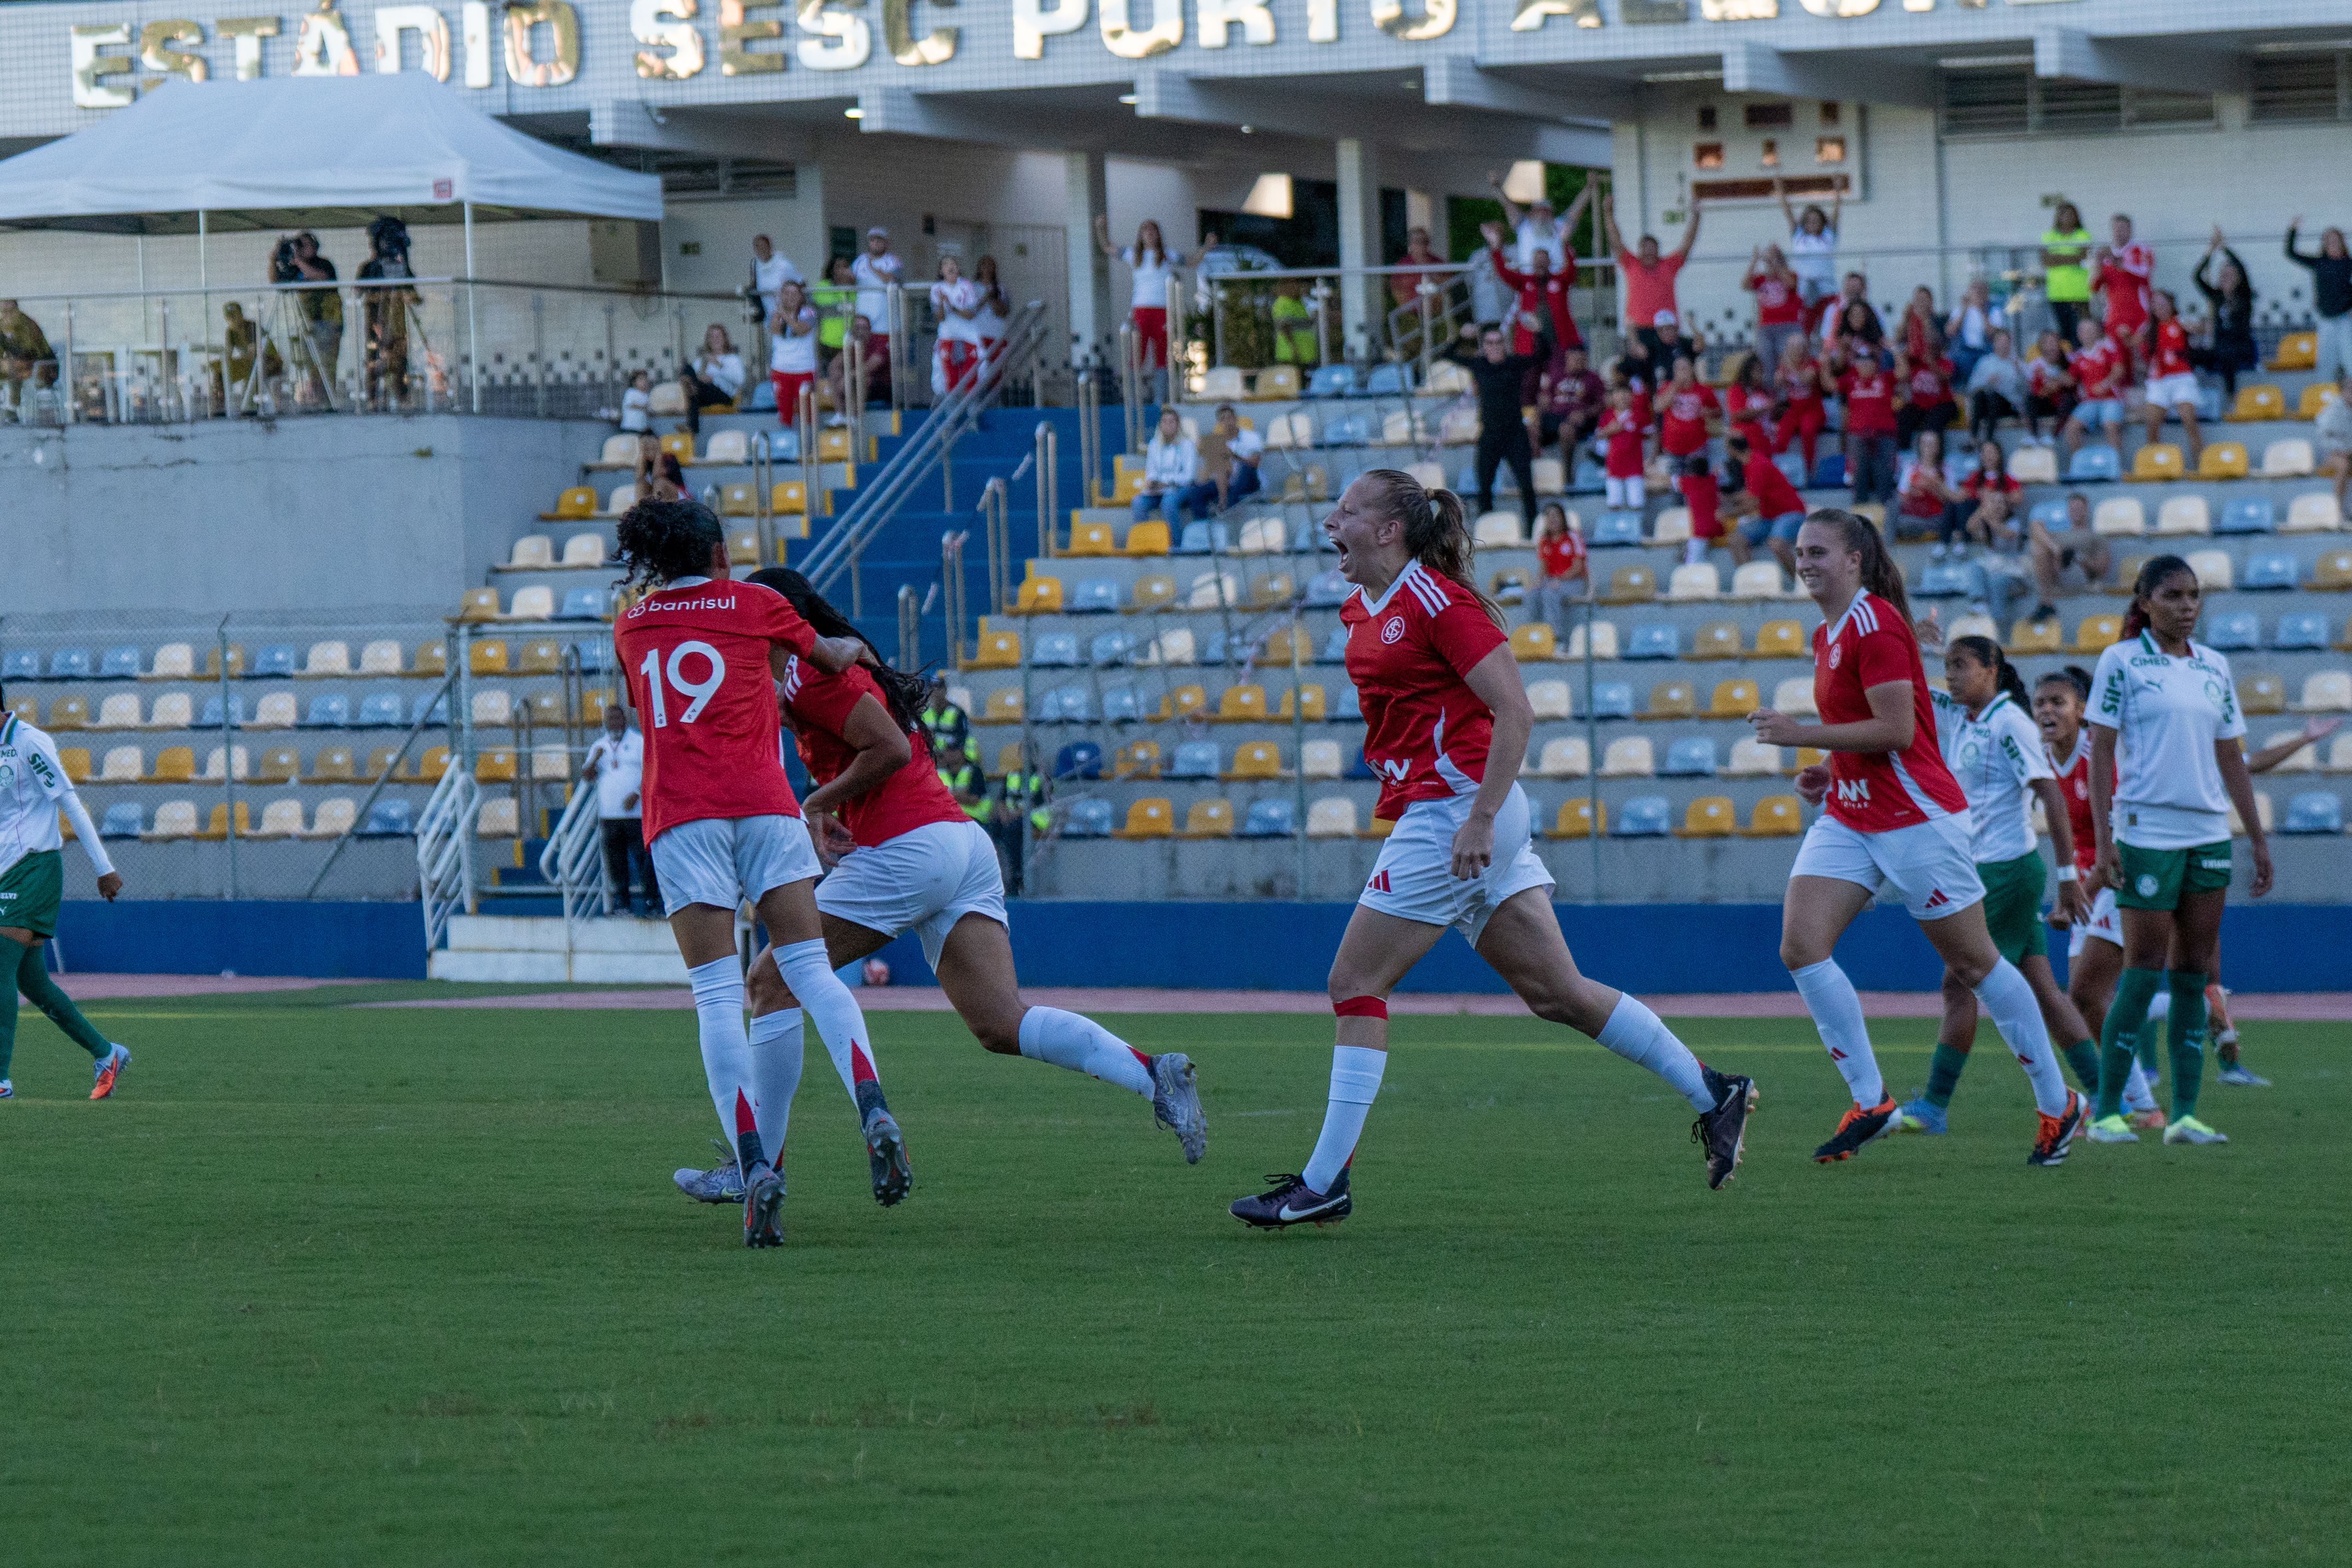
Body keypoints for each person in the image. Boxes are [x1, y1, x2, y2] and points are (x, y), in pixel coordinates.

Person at [1229, 470, 1756, 1228]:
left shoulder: (1438, 602)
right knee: (1558, 993)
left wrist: (1477, 818)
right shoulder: (1361, 605)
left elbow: (1516, 711)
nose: (1330, 522)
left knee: (1354, 981)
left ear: (1389, 530)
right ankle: (1715, 1091)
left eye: (1346, 511)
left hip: (1457, 813)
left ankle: (1323, 1183)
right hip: (1451, 808)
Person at [669, 568, 1207, 1204]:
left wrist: (816, 801)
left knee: (770, 978)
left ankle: (756, 1165)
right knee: (1000, 1022)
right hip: (960, 844)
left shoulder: (807, 675)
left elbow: (889, 749)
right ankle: (1154, 1075)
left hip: (908, 848)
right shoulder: (828, 664)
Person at [1748, 509, 2082, 1166]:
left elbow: (1898, 730)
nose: (1804, 562)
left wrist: (1801, 735)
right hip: (1852, 812)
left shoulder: (1875, 624)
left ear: (1854, 560)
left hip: (1916, 817)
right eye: (1800, 552)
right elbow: (1868, 725)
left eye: (1817, 551)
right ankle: (1870, 1100)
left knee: (1976, 965)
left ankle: (2058, 1101)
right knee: (1800, 946)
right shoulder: (1828, 632)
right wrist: (1829, 768)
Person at [608, 496, 895, 1245]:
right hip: (765, 807)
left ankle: (755, 1164)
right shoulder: (757, 603)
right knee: (810, 971)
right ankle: (872, 1103)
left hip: (683, 816)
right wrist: (853, 649)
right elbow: (827, 658)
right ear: (719, 555)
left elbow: (651, 706)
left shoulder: (631, 624)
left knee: (715, 995)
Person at [2082, 555, 2272, 1146]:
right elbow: (2100, 752)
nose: (2187, 606)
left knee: (2193, 973)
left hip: (2208, 833)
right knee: (2141, 970)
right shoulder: (2120, 661)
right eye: (2173, 596)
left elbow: (2230, 756)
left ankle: (2185, 1115)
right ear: (2144, 603)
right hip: (2147, 832)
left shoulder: (2215, 665)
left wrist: (2257, 837)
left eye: (2194, 595)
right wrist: (2105, 838)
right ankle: (2107, 1113)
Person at [1892, 636, 2101, 1135]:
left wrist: (2068, 877)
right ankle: (2105, 1094)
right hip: (1990, 869)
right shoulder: (1969, 717)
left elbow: (2050, 793)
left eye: (1961, 666)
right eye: (1948, 666)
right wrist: (1912, 643)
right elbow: (1914, 690)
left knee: (1958, 981)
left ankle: (1935, 1105)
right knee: (2045, 990)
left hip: (2002, 871)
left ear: (1991, 669)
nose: (1951, 675)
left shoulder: (2010, 723)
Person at [2036, 666, 2167, 1128]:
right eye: (2040, 703)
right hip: (2085, 883)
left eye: (2058, 702)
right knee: (2089, 1000)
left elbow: (2115, 846)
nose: (2048, 711)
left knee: (2087, 991)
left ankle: (2130, 1101)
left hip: (2121, 876)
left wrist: (2073, 897)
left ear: (2082, 711)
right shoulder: (2041, 757)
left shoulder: (2100, 757)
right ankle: (2141, 1105)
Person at [0, 700, 132, 1102]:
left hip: (34, 866)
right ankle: (106, 1053)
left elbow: (68, 801)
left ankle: (1, 1079)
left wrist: (104, 867)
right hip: (6, 870)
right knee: (32, 981)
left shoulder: (29, 742)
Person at [1442, 324, 1541, 529]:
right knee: (1484, 485)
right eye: (1489, 343)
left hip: (1515, 433)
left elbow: (1543, 355)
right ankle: (1485, 528)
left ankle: (1533, 529)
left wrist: (1537, 331)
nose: (1494, 347)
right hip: (1490, 434)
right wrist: (1462, 337)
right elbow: (1447, 354)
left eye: (1498, 342)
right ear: (1484, 346)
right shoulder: (1479, 364)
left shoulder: (1514, 363)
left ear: (1505, 345)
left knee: (1526, 485)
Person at [1602, 192, 1701, 366]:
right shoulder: (1631, 264)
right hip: (1639, 330)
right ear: (1639, 251)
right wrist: (1608, 214)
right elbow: (1616, 241)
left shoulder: (1669, 265)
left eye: (1652, 249)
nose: (1649, 252)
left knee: (1671, 368)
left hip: (1667, 329)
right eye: (1645, 249)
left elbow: (1687, 243)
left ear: (1658, 251)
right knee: (1640, 369)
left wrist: (1696, 216)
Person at [580, 704, 659, 916]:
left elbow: (651, 771)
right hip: (609, 816)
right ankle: (622, 905)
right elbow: (587, 776)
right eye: (610, 719)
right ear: (605, 722)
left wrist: (637, 794)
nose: (614, 723)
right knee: (616, 862)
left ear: (625, 720)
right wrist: (595, 758)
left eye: (618, 718)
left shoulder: (638, 742)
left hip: (636, 815)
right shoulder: (599, 746)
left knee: (644, 860)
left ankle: (652, 902)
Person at [1096, 215, 1185, 396]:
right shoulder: (1134, 255)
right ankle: (1132, 397)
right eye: (1146, 231)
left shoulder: (1167, 255)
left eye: (1153, 231)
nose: (1150, 234)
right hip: (1141, 309)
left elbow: (1190, 261)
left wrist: (1206, 248)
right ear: (1141, 235)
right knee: (1137, 354)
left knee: (1162, 355)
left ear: (1158, 235)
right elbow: (1107, 247)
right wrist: (1100, 230)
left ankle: (1160, 399)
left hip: (1162, 310)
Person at [356, 216, 417, 411]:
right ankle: (373, 400)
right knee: (374, 360)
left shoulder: (402, 267)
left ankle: (402, 398)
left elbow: (413, 296)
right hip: (375, 325)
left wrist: (401, 269)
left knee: (400, 362)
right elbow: (358, 291)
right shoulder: (368, 268)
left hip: (398, 327)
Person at [2139, 289, 2205, 466]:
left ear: (2171, 304)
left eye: (2163, 303)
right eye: (2156, 304)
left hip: (2181, 377)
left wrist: (2196, 326)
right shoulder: (2148, 329)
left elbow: (2200, 329)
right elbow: (2136, 347)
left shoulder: (2180, 321)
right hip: (2158, 380)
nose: (2159, 308)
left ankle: (2200, 465)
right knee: (2152, 424)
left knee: (2189, 421)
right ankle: (2154, 466)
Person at [1726, 430, 1807, 573]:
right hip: (1769, 517)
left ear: (1732, 449)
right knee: (1735, 539)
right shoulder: (1751, 462)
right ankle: (1749, 582)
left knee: (1776, 544)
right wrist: (1728, 498)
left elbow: (1753, 503)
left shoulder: (1757, 465)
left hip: (1790, 513)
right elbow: (1751, 493)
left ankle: (1801, 582)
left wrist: (1728, 514)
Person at [276, 231, 341, 407]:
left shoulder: (324, 264)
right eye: (298, 245)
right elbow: (278, 282)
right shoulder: (295, 267)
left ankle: (328, 401)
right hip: (307, 321)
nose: (301, 249)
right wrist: (276, 257)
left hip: (328, 320)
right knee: (310, 363)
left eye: (304, 245)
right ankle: (316, 399)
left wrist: (299, 262)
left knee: (326, 362)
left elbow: (321, 277)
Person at [2025, 491, 2110, 625]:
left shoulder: (2095, 537)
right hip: (2054, 571)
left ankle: (2046, 603)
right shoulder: (2056, 534)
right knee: (2037, 538)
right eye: (2072, 509)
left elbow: (2101, 570)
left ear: (2086, 510)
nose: (2075, 512)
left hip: (2078, 573)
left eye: (2079, 508)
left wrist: (2078, 558)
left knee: (2044, 550)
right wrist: (2058, 551)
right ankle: (2046, 601)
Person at [2191, 229, 2257, 397]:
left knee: (2228, 353)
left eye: (2231, 274)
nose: (2226, 277)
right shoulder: (2216, 296)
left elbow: (2242, 267)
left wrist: (2224, 248)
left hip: (2241, 347)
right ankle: (2190, 393)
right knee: (2191, 354)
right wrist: (2210, 251)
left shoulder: (2244, 296)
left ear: (2238, 278)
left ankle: (2231, 394)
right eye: (2224, 274)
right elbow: (2196, 276)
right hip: (2219, 348)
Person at [2285, 217, 2352, 383]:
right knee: (2326, 362)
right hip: (2325, 319)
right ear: (2324, 244)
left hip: (2345, 319)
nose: (2333, 243)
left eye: (2336, 240)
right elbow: (2290, 253)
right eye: (2329, 240)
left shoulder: (2349, 264)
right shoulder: (2319, 263)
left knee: (2349, 359)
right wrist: (2293, 229)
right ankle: (2325, 392)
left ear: (2342, 242)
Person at [1837, 343, 1899, 506]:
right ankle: (1859, 517)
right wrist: (1825, 360)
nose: (1864, 363)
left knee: (1885, 481)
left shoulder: (1886, 378)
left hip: (1884, 435)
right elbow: (1829, 384)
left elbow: (1904, 373)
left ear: (1876, 362)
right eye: (1860, 360)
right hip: (1857, 436)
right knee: (1858, 482)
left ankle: (1885, 517)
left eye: (1869, 360)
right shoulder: (1850, 380)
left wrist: (1896, 350)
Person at [1490, 172, 1591, 271]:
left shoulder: (1559, 226)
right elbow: (1507, 205)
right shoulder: (1523, 227)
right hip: (1528, 279)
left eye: (1546, 211)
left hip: (1556, 278)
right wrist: (1497, 187)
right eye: (1538, 211)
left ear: (1551, 214)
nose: (1542, 214)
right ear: (1532, 214)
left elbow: (1576, 209)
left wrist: (1589, 187)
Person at [1175, 403, 1262, 517]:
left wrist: (1235, 456)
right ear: (1220, 423)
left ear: (1235, 419)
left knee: (1244, 469)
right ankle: (1202, 524)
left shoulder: (1251, 437)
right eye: (1223, 419)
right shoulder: (1217, 442)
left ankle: (1228, 513)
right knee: (1196, 490)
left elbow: (1255, 463)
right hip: (1226, 480)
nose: (1227, 422)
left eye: (1229, 418)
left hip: (1250, 479)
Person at [1777, 179, 1842, 329]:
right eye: (1809, 221)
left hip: (1827, 288)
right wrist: (1780, 190)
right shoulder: (1799, 237)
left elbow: (1836, 213)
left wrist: (1838, 191)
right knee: (1806, 328)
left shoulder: (1828, 237)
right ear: (1804, 223)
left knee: (1830, 327)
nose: (1813, 224)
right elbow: (1788, 213)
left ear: (1822, 223)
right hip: (1806, 289)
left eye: (1816, 221)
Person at [2059, 318, 2128, 457]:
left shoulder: (2108, 348)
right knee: (2071, 429)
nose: (2086, 334)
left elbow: (2119, 370)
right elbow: (2070, 380)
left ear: (2097, 332)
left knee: (2110, 426)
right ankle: (2081, 463)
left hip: (2111, 399)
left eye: (2090, 330)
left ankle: (2115, 465)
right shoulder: (2078, 356)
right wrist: (2055, 377)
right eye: (2083, 331)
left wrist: (2104, 385)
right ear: (2078, 334)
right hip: (2090, 401)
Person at [1493, 248, 1579, 359]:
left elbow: (1571, 271)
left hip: (1557, 339)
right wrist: (1496, 250)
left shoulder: (1560, 281)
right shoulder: (1525, 281)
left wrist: (1566, 245)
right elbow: (1504, 273)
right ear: (1533, 263)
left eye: (1543, 260)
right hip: (1530, 343)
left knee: (1557, 366)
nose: (1540, 264)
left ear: (1549, 262)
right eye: (1537, 260)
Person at [989, 748, 1050, 897]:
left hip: (1035, 818)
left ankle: (1017, 875)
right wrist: (1004, 815)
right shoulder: (1012, 775)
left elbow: (1036, 804)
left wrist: (1013, 815)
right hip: (1013, 817)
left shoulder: (1043, 778)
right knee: (993, 828)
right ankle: (995, 875)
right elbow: (1001, 800)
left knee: (1012, 831)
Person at [1535, 344, 1604, 474]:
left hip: (1580, 419)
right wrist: (1542, 404)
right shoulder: (1556, 376)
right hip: (1554, 416)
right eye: (1576, 360)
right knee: (1530, 427)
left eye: (1583, 360)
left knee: (1566, 429)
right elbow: (1545, 398)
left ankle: (1567, 472)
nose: (1580, 364)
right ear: (1567, 359)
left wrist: (1585, 413)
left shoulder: (1593, 378)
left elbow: (1601, 404)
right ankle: (1536, 470)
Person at [2091, 213, 2153, 355]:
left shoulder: (2141, 250)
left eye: (2123, 229)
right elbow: (2095, 287)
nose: (2119, 233)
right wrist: (2098, 265)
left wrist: (2117, 262)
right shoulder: (2105, 255)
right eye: (2116, 229)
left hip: (2138, 315)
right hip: (2113, 316)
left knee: (2141, 356)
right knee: (2118, 359)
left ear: (2130, 230)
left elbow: (2144, 275)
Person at [1130, 406, 1199, 528]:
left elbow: (1189, 476)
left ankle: (1175, 539)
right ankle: (1146, 536)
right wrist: (1152, 482)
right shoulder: (1154, 444)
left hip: (1180, 487)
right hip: (1158, 489)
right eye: (1165, 422)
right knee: (1137, 502)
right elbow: (1151, 470)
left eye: (1172, 422)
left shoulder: (1187, 445)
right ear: (1160, 425)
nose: (1168, 425)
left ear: (1178, 425)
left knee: (1168, 503)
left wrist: (1166, 483)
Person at [1772, 335, 1828, 479]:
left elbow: (1807, 379)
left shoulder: (1812, 364)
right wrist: (1782, 377)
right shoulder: (1784, 366)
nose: (1797, 351)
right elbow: (1778, 381)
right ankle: (1777, 468)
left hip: (1813, 409)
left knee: (1808, 430)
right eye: (1794, 348)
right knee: (1782, 432)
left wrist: (1789, 366)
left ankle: (1809, 469)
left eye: (1800, 348)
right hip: (1795, 410)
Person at [2040, 202, 2095, 345]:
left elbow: (2082, 257)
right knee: (2064, 335)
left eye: (2071, 214)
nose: (2067, 217)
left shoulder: (2083, 235)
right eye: (2064, 214)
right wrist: (2072, 257)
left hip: (2079, 294)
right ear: (2058, 217)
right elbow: (2046, 260)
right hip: (2057, 294)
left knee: (2080, 334)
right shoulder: (2049, 236)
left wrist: (2057, 258)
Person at [1746, 244, 1807, 374]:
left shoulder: (1791, 275)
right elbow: (1745, 284)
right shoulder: (1761, 279)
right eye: (1767, 261)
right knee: (1765, 361)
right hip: (1766, 327)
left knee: (1788, 360)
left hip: (1788, 325)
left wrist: (1777, 264)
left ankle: (1789, 386)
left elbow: (1791, 284)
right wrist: (1754, 261)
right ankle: (1769, 386)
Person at [1894, 428, 1960, 547]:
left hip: (1938, 517)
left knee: (1950, 517)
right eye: (1925, 444)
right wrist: (1913, 491)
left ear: (1938, 447)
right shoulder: (1910, 468)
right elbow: (1901, 497)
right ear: (1920, 446)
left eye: (1932, 444)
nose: (1928, 448)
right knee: (1897, 514)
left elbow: (1955, 499)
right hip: (1915, 516)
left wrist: (1936, 485)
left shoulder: (1946, 469)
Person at [929, 254, 983, 396]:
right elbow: (940, 318)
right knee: (948, 376)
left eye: (953, 264)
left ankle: (972, 405)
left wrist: (951, 305)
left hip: (968, 335)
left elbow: (971, 314)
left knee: (972, 374)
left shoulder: (966, 285)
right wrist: (942, 303)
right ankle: (951, 404)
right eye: (946, 264)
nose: (951, 267)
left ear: (958, 269)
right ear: (941, 271)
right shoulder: (937, 288)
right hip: (947, 335)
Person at [1530, 502, 1587, 636]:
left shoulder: (1573, 537)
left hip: (1574, 581)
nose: (1553, 519)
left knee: (1549, 593)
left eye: (1556, 516)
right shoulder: (1544, 540)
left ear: (1563, 518)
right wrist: (1537, 583)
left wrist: (1559, 580)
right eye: (1549, 516)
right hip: (1553, 580)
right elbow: (1543, 567)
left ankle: (1556, 638)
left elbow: (1578, 567)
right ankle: (1535, 635)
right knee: (1531, 595)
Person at [851, 228, 904, 367]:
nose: (876, 243)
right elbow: (850, 280)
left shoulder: (893, 261)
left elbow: (891, 278)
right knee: (860, 359)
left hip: (885, 324)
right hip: (864, 324)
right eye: (873, 240)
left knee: (882, 363)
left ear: (886, 242)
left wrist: (873, 268)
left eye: (879, 240)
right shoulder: (859, 261)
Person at [1964, 328, 2025, 446]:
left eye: (2006, 342)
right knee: (1981, 395)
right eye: (2000, 342)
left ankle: (1988, 440)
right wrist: (1986, 382)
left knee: (1993, 396)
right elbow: (1972, 387)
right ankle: (1973, 437)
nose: (2003, 345)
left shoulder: (2017, 364)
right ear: (1994, 344)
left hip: (2010, 406)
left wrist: (2020, 373)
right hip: (1987, 404)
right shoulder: (1985, 362)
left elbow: (2025, 392)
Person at [679, 324, 744, 435]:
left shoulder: (732, 359)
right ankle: (692, 424)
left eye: (718, 336)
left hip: (724, 395)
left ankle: (692, 425)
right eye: (712, 337)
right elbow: (695, 378)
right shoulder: (700, 361)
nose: (715, 339)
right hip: (701, 393)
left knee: (694, 388)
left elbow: (740, 380)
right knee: (688, 369)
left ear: (724, 339)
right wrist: (701, 377)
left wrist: (717, 366)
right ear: (708, 340)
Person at [822, 313, 888, 418]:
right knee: (835, 373)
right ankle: (840, 415)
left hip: (881, 385)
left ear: (870, 330)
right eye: (857, 328)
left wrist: (847, 379)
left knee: (861, 379)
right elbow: (834, 365)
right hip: (853, 382)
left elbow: (870, 367)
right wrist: (849, 349)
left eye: (864, 328)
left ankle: (855, 417)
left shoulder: (879, 342)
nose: (861, 331)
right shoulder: (852, 343)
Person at [1944, 277, 2005, 389]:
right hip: (1963, 353)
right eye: (1975, 289)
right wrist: (1964, 310)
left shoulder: (1994, 311)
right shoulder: (1959, 310)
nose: (1978, 292)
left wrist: (1982, 311)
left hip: (1985, 353)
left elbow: (1993, 335)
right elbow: (1950, 332)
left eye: (1981, 289)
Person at [1892, 345, 1957, 450]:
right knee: (1904, 417)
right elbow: (1903, 375)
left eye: (1933, 348)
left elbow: (1945, 377)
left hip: (1943, 404)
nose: (1930, 351)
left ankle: (1935, 454)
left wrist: (1931, 364)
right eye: (1927, 348)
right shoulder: (1915, 364)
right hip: (1919, 405)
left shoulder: (1946, 363)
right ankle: (1902, 451)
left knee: (1934, 422)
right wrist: (1904, 355)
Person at [1598, 383, 1647, 512]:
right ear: (1613, 397)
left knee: (1637, 505)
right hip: (1613, 467)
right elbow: (1598, 436)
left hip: (1635, 468)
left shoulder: (1639, 415)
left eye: (1626, 393)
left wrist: (1652, 458)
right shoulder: (1607, 416)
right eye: (1619, 394)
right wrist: (1610, 430)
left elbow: (1653, 434)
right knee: (1614, 504)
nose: (1622, 397)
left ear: (1632, 396)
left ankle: (1637, 525)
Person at [2024, 329, 2077, 446]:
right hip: (2048, 402)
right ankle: (2034, 436)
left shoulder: (2069, 359)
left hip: (2066, 403)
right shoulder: (2036, 365)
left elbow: (2071, 382)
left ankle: (2054, 435)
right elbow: (2039, 392)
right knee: (2030, 399)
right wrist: (2058, 383)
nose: (2052, 346)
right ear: (2042, 347)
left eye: (2054, 342)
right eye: (2048, 343)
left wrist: (2053, 381)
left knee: (2068, 399)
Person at [1462, 221, 1512, 333]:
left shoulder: (1514, 252)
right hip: (1483, 315)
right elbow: (1468, 281)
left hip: (1508, 314)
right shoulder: (1477, 255)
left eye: (1497, 231)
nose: (1494, 235)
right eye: (1491, 232)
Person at [0, 298, 55, 398]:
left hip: (41, 367)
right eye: (3, 312)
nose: (7, 315)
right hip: (18, 369)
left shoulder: (27, 324)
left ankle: (15, 404)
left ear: (17, 310)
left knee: (14, 373)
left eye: (11, 311)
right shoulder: (2, 326)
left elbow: (30, 354)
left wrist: (10, 364)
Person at [920, 674, 977, 768]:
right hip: (932, 758)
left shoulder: (958, 713)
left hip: (954, 757)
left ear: (946, 690)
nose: (936, 691)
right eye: (932, 688)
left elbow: (962, 738)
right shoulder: (924, 714)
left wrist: (946, 755)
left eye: (940, 687)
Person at [1721, 352, 1772, 456]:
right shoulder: (1736, 390)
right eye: (1757, 371)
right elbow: (1737, 414)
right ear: (1748, 372)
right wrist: (1763, 409)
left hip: (1764, 439)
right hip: (1746, 442)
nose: (1760, 375)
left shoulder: (1763, 391)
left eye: (1761, 371)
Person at [2318, 371, 2352, 514]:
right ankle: (2336, 509)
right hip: (2334, 454)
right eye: (2350, 390)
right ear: (2343, 392)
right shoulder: (2332, 411)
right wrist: (2340, 450)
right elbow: (2323, 438)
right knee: (2343, 465)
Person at [748, 234, 801, 324]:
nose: (761, 249)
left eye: (763, 246)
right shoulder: (755, 264)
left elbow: (800, 283)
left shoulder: (783, 264)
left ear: (769, 246)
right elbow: (754, 285)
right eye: (757, 246)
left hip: (787, 315)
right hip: (769, 315)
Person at [970, 255, 1010, 365]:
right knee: (980, 369)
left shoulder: (1001, 289)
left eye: (991, 266)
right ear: (979, 268)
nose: (988, 269)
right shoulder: (972, 288)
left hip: (997, 334)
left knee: (998, 369)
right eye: (985, 265)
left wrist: (992, 298)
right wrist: (985, 298)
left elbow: (1004, 312)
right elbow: (970, 312)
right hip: (979, 335)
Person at [634, 433, 685, 503]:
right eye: (647, 449)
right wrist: (642, 454)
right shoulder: (644, 461)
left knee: (659, 482)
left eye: (653, 448)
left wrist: (658, 454)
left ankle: (658, 508)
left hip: (679, 496)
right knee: (641, 484)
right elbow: (639, 478)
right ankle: (640, 508)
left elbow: (656, 476)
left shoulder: (669, 458)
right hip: (658, 496)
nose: (650, 451)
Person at [618, 369, 653, 435]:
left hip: (642, 428)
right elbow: (631, 405)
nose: (644, 382)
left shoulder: (646, 395)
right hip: (630, 427)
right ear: (634, 382)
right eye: (641, 380)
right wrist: (643, 407)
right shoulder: (631, 392)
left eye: (645, 380)